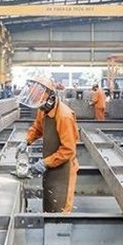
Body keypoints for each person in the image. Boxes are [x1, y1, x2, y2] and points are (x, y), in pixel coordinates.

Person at [15, 76, 79, 213]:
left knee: (60, 208)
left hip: (64, 169)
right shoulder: (43, 109)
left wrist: (45, 163)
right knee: (50, 202)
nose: (36, 104)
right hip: (52, 164)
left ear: (48, 96)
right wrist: (27, 140)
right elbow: (37, 128)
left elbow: (68, 150)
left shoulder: (64, 116)